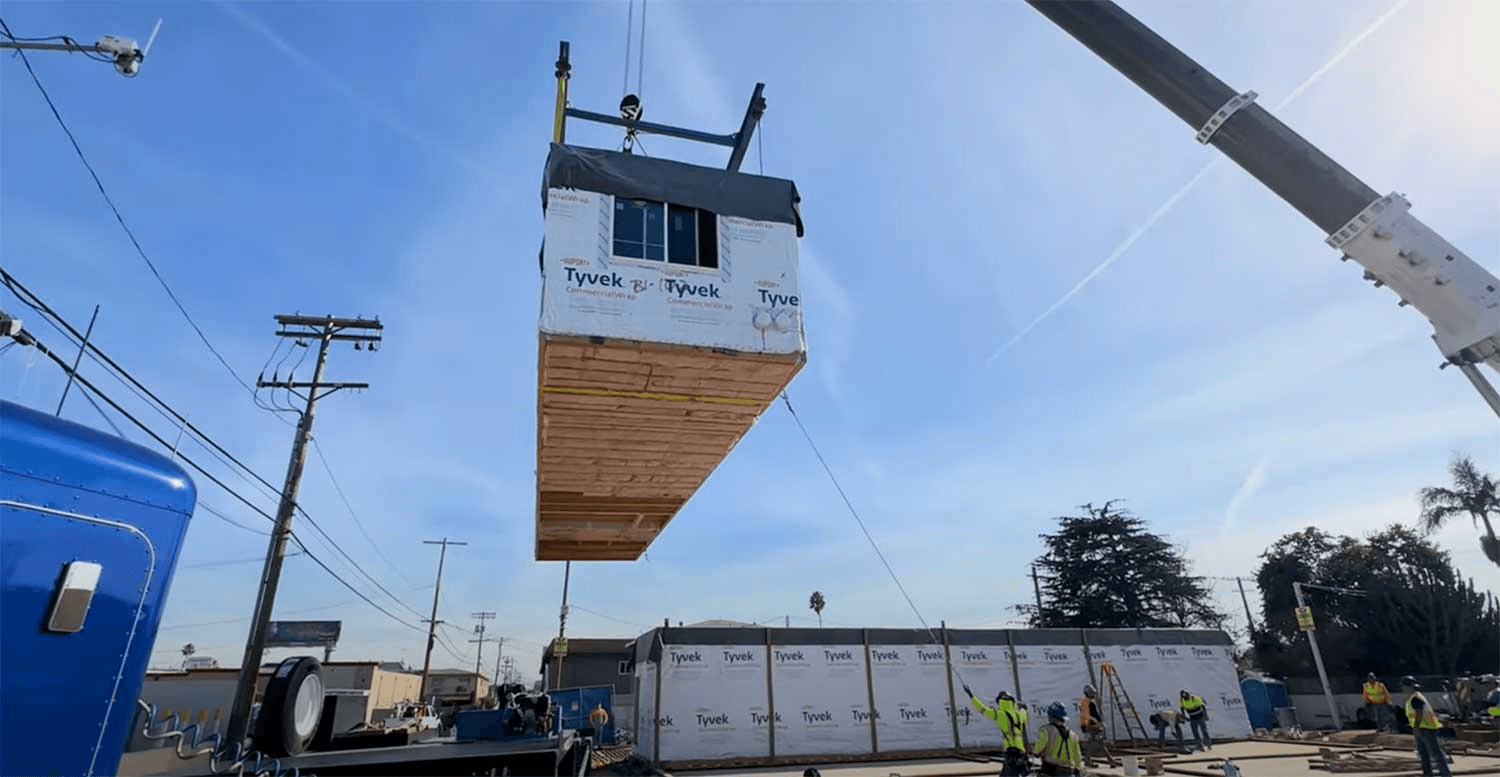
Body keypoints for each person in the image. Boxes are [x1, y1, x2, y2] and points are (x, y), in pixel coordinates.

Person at [964, 685, 1030, 776]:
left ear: (999, 701)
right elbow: (1024, 713)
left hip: (1010, 751)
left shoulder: (999, 713)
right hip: (1021, 750)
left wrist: (971, 696)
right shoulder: (1018, 714)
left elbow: (982, 709)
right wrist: (1024, 708)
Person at [1402, 676, 1452, 777]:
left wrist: (1416, 727)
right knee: (1424, 753)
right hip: (1424, 728)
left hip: (1426, 728)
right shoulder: (1415, 697)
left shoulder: (1415, 698)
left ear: (1408, 687)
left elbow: (1419, 713)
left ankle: (1445, 774)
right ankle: (1428, 774)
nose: (1403, 689)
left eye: (1404, 687)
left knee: (1435, 753)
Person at [1032, 701, 1084, 777]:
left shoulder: (1047, 730)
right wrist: (1077, 769)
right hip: (1068, 771)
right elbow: (1077, 755)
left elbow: (1038, 748)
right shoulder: (1073, 734)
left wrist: (1035, 753)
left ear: (1051, 716)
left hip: (1050, 770)